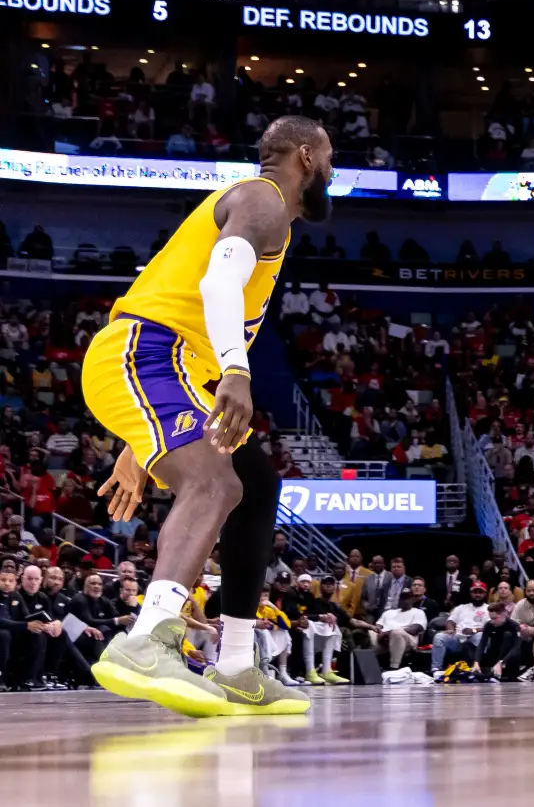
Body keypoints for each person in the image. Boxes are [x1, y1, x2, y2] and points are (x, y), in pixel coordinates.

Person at [81, 116, 332, 717]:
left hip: (170, 368)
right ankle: (149, 639)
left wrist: (137, 446)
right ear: (304, 156)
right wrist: (237, 370)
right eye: (329, 159)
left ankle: (237, 665)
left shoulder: (268, 212)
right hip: (146, 353)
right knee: (214, 482)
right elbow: (220, 283)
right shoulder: (262, 200)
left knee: (256, 484)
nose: (332, 172)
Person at [431, 581, 490, 678]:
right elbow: (450, 621)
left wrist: (473, 630)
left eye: (480, 592)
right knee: (439, 636)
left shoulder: (488, 609)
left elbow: (489, 627)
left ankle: (477, 667)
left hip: (475, 637)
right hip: (458, 638)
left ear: (485, 594)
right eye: (475, 592)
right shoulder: (461, 608)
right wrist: (450, 629)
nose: (477, 594)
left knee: (480, 636)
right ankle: (436, 670)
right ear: (471, 593)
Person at [373, 589, 427, 670]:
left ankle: (393, 667)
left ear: (413, 599)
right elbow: (378, 625)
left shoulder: (418, 612)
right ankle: (366, 666)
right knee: (369, 632)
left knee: (396, 633)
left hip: (407, 639)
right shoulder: (389, 612)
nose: (404, 600)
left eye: (407, 598)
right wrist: (379, 632)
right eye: (402, 598)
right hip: (384, 638)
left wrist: (388, 632)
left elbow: (414, 629)